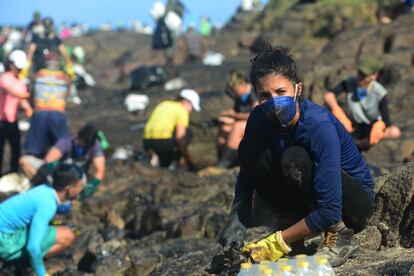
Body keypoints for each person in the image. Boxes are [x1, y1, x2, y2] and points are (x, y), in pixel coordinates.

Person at [218, 47, 374, 267]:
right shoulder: (258, 118)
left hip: (350, 205)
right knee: (250, 148)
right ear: (257, 96)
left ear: (297, 88)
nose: (274, 101)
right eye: (265, 96)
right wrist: (238, 217)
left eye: (281, 92)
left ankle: (337, 236)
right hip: (307, 199)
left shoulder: (318, 125)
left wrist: (274, 244)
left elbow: (329, 210)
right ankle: (293, 229)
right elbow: (248, 172)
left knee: (294, 158)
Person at [0, 163, 84, 276]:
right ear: (70, 189)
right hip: (4, 240)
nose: (82, 189)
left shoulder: (44, 189)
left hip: (5, 231)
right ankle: (23, 264)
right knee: (68, 235)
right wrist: (41, 273)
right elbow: (32, 246)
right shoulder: (48, 204)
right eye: (80, 186)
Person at [324, 55, 401, 151]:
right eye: (359, 73)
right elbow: (329, 96)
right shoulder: (349, 82)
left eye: (364, 75)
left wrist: (379, 128)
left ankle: (362, 143)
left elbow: (386, 121)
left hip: (369, 128)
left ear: (374, 76)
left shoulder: (380, 93)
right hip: (350, 125)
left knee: (395, 131)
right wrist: (337, 111)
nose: (360, 77)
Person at [20, 124, 106, 199]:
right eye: (81, 143)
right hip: (58, 172)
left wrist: (92, 186)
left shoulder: (95, 146)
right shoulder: (68, 141)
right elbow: (49, 159)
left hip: (77, 177)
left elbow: (100, 170)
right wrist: (60, 174)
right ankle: (45, 186)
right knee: (24, 161)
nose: (83, 146)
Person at [23, 51, 71, 158]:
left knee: (34, 149)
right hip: (58, 112)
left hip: (40, 112)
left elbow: (31, 94)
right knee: (61, 147)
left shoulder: (37, 75)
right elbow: (66, 96)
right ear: (58, 63)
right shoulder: (65, 78)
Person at [143, 89, 200, 171]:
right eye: (192, 107)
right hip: (162, 143)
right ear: (187, 102)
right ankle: (172, 163)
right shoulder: (182, 110)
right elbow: (180, 137)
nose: (191, 111)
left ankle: (155, 158)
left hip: (146, 142)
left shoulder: (164, 104)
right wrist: (188, 161)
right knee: (188, 133)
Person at [0, 50, 33, 175]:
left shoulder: (21, 81)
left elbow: (21, 99)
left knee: (16, 149)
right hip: (1, 120)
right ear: (11, 64)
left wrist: (28, 108)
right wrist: (28, 94)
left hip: (13, 120)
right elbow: (10, 91)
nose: (19, 70)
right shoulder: (5, 78)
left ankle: (13, 172)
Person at [217, 70, 257, 168]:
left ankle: (225, 163)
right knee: (224, 128)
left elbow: (255, 115)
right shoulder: (239, 97)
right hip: (244, 123)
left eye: (236, 90)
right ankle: (223, 160)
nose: (235, 93)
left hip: (258, 125)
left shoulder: (254, 92)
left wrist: (233, 115)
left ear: (243, 84)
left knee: (237, 127)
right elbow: (237, 113)